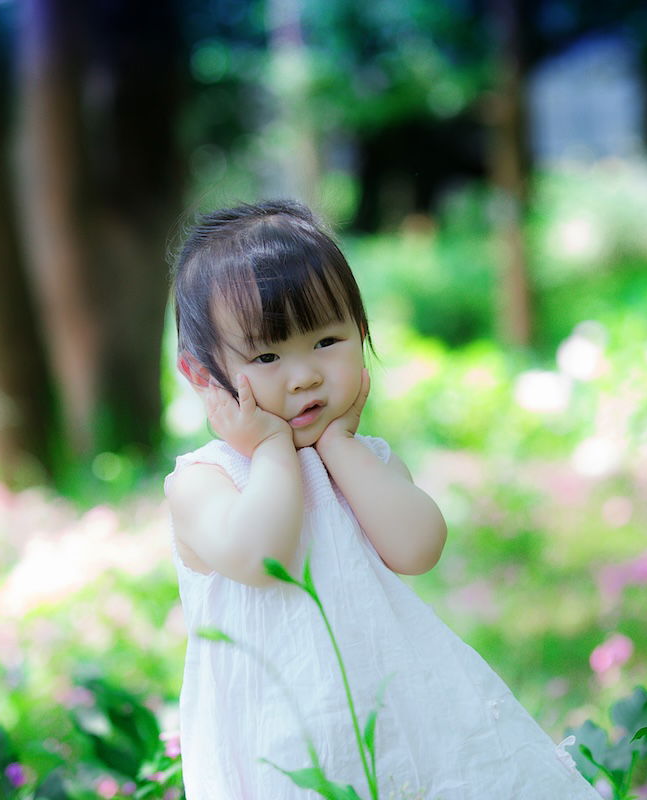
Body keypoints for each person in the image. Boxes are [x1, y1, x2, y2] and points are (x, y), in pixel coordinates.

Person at [165, 200, 600, 799]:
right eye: (267, 356)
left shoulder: (358, 460)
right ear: (203, 376)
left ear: (362, 332)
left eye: (326, 341)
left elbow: (420, 546)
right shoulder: (206, 481)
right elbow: (261, 558)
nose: (304, 376)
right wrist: (269, 449)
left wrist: (340, 447)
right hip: (279, 743)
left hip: (401, 717)